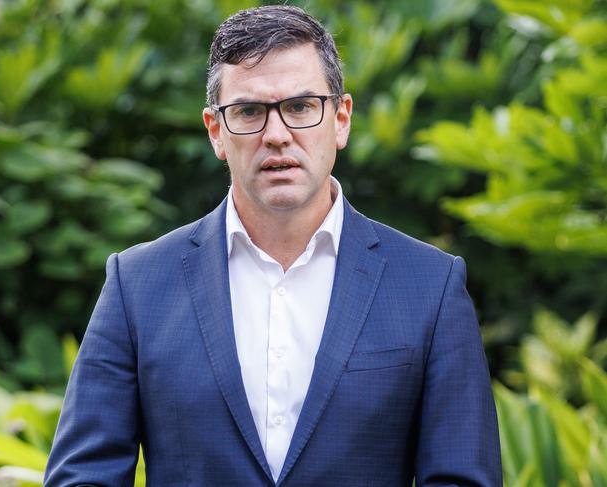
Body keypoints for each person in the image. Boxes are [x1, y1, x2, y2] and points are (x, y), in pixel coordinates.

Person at [44, 5, 502, 486]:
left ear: (341, 119)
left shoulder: (429, 285)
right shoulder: (137, 285)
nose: (277, 135)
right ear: (216, 131)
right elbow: (83, 477)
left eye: (301, 107)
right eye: (248, 112)